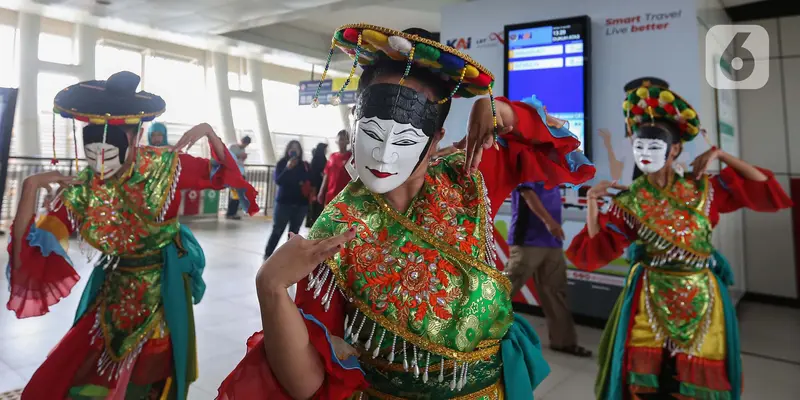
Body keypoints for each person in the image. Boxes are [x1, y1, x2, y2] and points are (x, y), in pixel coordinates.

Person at [218, 25, 596, 399]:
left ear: (435, 141)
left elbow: (566, 156)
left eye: (404, 139)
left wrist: (500, 111)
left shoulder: (469, 177)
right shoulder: (333, 231)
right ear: (354, 126)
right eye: (371, 132)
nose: (383, 154)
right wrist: (270, 287)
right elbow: (308, 384)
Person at [6, 71, 259, 399]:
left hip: (164, 288)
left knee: (156, 369)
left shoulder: (168, 168)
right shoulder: (84, 190)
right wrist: (29, 189)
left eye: (109, 151)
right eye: (91, 152)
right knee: (86, 366)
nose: (100, 164)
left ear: (133, 137)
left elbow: (225, 177)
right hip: (113, 289)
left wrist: (210, 133)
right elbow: (29, 253)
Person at [566, 82, 792, 400]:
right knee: (648, 383)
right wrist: (592, 203)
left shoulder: (703, 189)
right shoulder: (630, 201)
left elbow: (763, 183)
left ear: (674, 151)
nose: (644, 155)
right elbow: (595, 249)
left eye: (654, 148)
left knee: (698, 382)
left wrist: (720, 154)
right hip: (649, 293)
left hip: (701, 292)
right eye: (639, 147)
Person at [504, 182, 592, 358]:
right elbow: (527, 193)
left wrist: (591, 189)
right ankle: (472, 333)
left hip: (552, 242)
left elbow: (569, 183)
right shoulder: (529, 163)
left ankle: (564, 342)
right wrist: (549, 221)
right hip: (528, 242)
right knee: (504, 290)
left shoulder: (553, 168)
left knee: (556, 293)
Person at [263, 140, 311, 259]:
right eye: (291, 148)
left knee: (294, 232)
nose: (294, 151)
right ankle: (268, 254)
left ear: (300, 151)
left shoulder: (304, 165)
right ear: (288, 150)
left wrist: (296, 180)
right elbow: (279, 181)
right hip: (284, 203)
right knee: (277, 230)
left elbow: (306, 179)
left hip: (300, 204)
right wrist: (288, 169)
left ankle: (289, 257)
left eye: (297, 149)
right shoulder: (282, 163)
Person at [317, 129, 352, 206]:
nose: (341, 142)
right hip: (331, 194)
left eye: (344, 139)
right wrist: (321, 191)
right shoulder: (332, 157)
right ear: (336, 141)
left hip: (346, 196)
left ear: (348, 141)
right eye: (340, 139)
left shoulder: (351, 157)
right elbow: (326, 175)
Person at [226, 135, 252, 219]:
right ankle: (230, 213)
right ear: (241, 141)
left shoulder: (243, 149)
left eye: (246, 145)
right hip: (233, 173)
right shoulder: (232, 147)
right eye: (244, 143)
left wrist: (243, 158)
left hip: (241, 173)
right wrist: (240, 156)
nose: (245, 146)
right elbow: (228, 158)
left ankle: (233, 212)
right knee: (235, 193)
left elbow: (240, 161)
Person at [307, 142, 328, 227]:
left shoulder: (315, 159)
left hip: (315, 187)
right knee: (317, 207)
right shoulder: (322, 160)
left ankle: (312, 222)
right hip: (318, 187)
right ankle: (315, 223)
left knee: (314, 206)